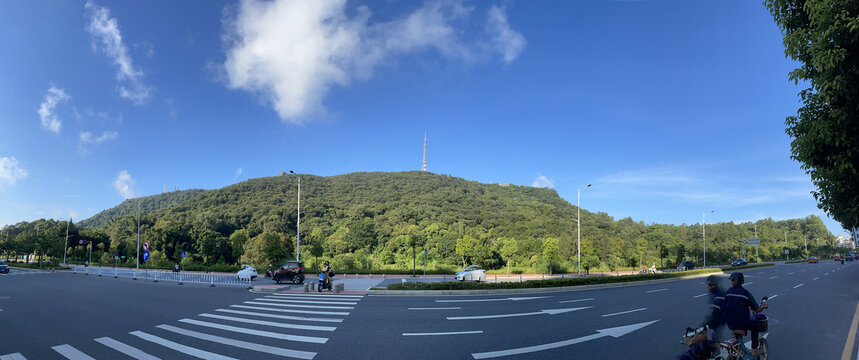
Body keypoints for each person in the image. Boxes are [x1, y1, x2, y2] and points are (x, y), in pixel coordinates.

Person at [678, 275, 727, 359]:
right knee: (710, 337)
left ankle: (719, 352)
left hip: (720, 320)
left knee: (714, 339)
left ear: (713, 286)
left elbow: (714, 312)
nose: (707, 287)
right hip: (718, 320)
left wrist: (703, 323)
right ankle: (716, 350)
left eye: (709, 285)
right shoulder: (716, 293)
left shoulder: (718, 296)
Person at [723, 272, 767, 358]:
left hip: (730, 324)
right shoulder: (746, 294)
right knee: (755, 326)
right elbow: (757, 309)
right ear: (741, 282)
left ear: (733, 281)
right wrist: (763, 306)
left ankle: (740, 349)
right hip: (742, 323)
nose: (731, 282)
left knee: (737, 322)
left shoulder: (728, 292)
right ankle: (754, 351)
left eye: (731, 280)